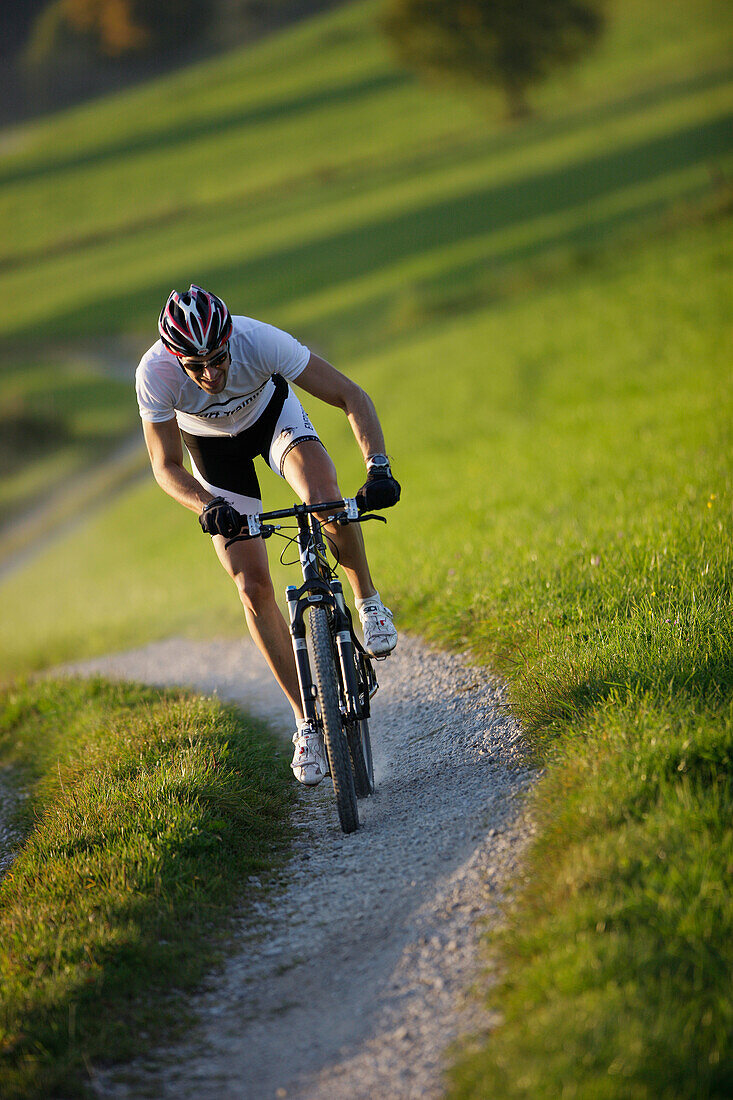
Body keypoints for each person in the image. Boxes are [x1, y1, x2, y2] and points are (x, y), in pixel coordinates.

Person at [135, 284, 401, 787]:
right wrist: (208, 505)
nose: (211, 374)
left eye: (217, 358)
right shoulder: (153, 374)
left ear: (231, 338)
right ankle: (305, 724)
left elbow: (351, 395)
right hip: (214, 455)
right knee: (250, 584)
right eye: (196, 366)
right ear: (175, 358)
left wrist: (378, 467)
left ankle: (369, 602)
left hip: (273, 420)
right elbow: (165, 465)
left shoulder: (260, 341)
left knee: (324, 498)